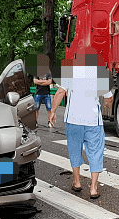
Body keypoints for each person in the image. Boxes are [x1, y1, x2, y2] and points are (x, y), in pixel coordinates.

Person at [47, 54, 109, 199]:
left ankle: (77, 182)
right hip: (93, 122)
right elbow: (109, 97)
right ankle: (93, 188)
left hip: (74, 120)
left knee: (74, 150)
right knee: (95, 153)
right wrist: (107, 104)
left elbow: (60, 92)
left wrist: (53, 111)